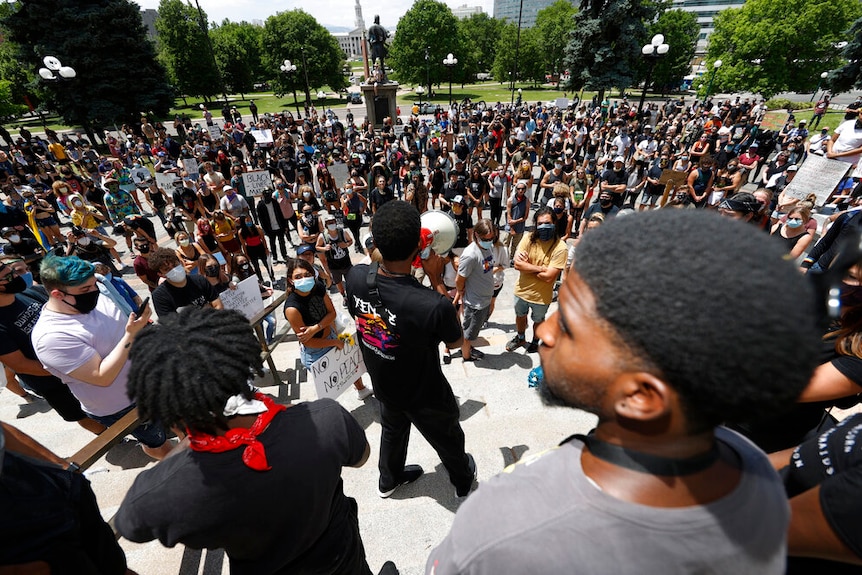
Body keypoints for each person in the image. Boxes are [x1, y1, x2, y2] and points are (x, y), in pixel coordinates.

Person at [427, 209, 821, 575]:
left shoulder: (506, 524)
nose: (544, 333)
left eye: (567, 326)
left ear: (641, 397)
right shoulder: (746, 460)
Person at [114, 307, 382, 575]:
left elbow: (129, 522)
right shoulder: (326, 418)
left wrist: (188, 444)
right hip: (344, 559)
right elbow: (362, 455)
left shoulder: (171, 487)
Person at [345, 201, 477, 499]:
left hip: (384, 383)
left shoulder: (355, 277)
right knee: (447, 438)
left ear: (374, 242)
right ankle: (463, 479)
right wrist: (435, 280)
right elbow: (455, 342)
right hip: (424, 393)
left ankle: (388, 480)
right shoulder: (432, 303)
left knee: (393, 430)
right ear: (419, 245)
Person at [31, 255, 173, 460]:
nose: (95, 291)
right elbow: (101, 376)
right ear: (57, 294)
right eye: (85, 289)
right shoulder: (52, 337)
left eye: (94, 284)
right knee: (157, 442)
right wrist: (131, 335)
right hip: (123, 404)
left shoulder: (94, 299)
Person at [0, 257, 105, 434]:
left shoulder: (29, 293)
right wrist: (68, 369)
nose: (16, 277)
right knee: (81, 414)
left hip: (86, 364)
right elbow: (20, 365)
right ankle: (116, 440)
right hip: (53, 382)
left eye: (12, 272)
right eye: (8, 278)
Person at [283, 258, 372, 400]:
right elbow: (308, 342)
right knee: (330, 391)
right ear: (291, 280)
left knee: (350, 368)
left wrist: (316, 328)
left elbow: (332, 313)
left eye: (307, 275)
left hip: (331, 335)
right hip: (315, 351)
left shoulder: (318, 287)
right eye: (298, 277)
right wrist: (333, 342)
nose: (304, 279)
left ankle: (361, 389)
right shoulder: (292, 309)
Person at [506, 207, 568, 354]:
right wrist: (541, 269)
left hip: (541, 297)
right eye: (540, 223)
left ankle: (535, 341)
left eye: (547, 222)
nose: (543, 226)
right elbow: (517, 264)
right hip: (522, 291)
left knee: (538, 320)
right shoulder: (528, 238)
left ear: (554, 222)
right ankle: (520, 337)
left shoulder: (561, 248)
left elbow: (549, 277)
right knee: (520, 317)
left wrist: (527, 267)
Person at [455, 219, 497, 362]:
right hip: (475, 303)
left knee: (473, 332)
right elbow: (459, 280)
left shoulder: (487, 247)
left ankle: (468, 348)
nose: (489, 241)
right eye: (486, 239)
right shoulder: (470, 255)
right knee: (468, 335)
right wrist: (461, 293)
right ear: (476, 235)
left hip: (484, 299)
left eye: (492, 238)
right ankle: (466, 356)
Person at [148, 247, 223, 316]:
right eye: (167, 269)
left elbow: (218, 305)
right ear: (161, 274)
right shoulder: (160, 296)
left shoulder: (200, 280)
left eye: (175, 265)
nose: (174, 269)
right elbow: (171, 325)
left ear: (181, 262)